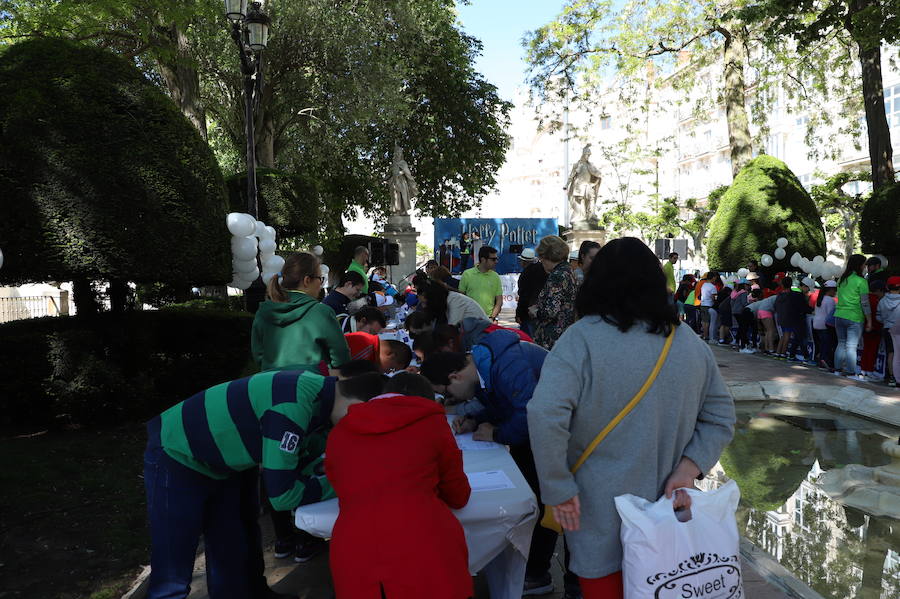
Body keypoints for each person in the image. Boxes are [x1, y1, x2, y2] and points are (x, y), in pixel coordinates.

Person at [527, 237, 735, 599]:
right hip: (670, 512)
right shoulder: (689, 343)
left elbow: (545, 414)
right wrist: (687, 469)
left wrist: (558, 488)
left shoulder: (580, 340)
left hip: (597, 511)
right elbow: (720, 415)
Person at [143, 370, 368, 599]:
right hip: (177, 453)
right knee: (174, 561)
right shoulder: (292, 406)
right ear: (358, 406)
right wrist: (344, 481)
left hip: (227, 461)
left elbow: (305, 456)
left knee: (233, 541)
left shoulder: (317, 393)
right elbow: (283, 496)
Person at [420, 331, 578, 597]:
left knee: (551, 504)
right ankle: (537, 571)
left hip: (568, 435)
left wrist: (496, 433)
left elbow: (530, 413)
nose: (452, 402)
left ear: (454, 376)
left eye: (447, 394)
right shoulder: (484, 366)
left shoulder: (507, 364)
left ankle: (570, 582)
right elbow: (504, 403)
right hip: (546, 434)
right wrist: (474, 417)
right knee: (536, 498)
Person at [326, 372, 471, 599]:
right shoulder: (432, 422)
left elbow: (341, 487)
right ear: (425, 400)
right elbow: (458, 495)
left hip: (355, 548)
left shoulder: (339, 432)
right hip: (424, 544)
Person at [252, 252, 350, 373]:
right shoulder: (322, 312)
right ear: (307, 280)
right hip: (313, 387)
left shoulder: (263, 312)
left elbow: (258, 355)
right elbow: (341, 358)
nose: (321, 284)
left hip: (272, 386)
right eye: (320, 279)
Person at [531, 235, 578, 350]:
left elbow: (551, 311)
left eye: (541, 257)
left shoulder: (557, 275)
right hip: (565, 335)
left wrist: (535, 311)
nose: (541, 261)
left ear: (548, 256)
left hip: (551, 339)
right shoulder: (569, 271)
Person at [834, 254, 873, 380]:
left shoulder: (841, 279)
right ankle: (851, 373)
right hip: (854, 317)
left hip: (839, 315)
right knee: (851, 346)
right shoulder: (861, 281)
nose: (865, 267)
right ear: (860, 265)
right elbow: (865, 303)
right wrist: (869, 320)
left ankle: (837, 370)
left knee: (841, 343)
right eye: (864, 264)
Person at [459, 245, 503, 320]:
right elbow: (460, 299)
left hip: (489, 320)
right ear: (483, 259)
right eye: (493, 259)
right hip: (470, 320)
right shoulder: (467, 274)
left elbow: (499, 301)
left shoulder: (495, 277)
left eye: (496, 259)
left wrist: (492, 318)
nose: (496, 261)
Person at [419, 280, 487, 326]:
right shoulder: (447, 301)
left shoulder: (455, 300)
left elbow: (452, 328)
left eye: (425, 302)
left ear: (433, 298)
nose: (424, 306)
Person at [516, 248, 548, 337]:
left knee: (527, 339)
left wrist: (519, 313)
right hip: (542, 311)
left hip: (528, 313)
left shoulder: (526, 274)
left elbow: (523, 296)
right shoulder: (544, 270)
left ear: (523, 262)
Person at [344, 332, 413, 374]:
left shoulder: (371, 351)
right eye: (392, 368)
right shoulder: (366, 348)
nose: (388, 372)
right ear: (391, 355)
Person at [860, 280, 886, 381]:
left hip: (865, 326)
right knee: (872, 350)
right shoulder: (877, 300)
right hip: (876, 327)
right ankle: (869, 371)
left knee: (865, 349)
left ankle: (863, 369)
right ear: (879, 290)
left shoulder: (865, 298)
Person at [877, 277, 900, 386]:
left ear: (887, 287)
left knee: (891, 353)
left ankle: (892, 378)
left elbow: (878, 317)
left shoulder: (882, 300)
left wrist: (887, 321)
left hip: (887, 329)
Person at [813, 280, 839, 371]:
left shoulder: (820, 299)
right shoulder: (830, 301)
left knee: (822, 344)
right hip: (825, 325)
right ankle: (824, 362)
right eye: (834, 290)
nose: (835, 292)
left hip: (816, 324)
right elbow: (830, 316)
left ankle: (821, 361)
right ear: (830, 290)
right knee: (827, 345)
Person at [747, 289, 778, 354]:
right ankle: (771, 349)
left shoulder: (772, 298)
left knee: (767, 331)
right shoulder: (779, 298)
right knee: (771, 331)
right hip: (765, 312)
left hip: (760, 312)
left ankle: (767, 348)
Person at [699, 272, 719, 341]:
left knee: (704, 321)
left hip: (702, 304)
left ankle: (704, 335)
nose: (716, 279)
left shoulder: (704, 285)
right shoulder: (713, 287)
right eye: (715, 277)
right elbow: (714, 298)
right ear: (713, 277)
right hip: (709, 305)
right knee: (708, 322)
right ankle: (707, 336)